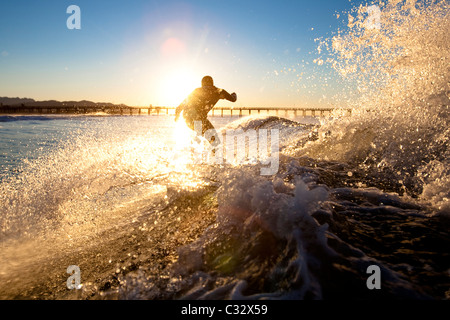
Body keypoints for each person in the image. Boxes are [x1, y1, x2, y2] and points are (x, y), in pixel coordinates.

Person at [175, 76, 237, 147]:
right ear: (212, 83)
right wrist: (233, 95)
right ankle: (204, 151)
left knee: (206, 139)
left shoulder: (197, 91)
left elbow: (181, 105)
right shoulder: (219, 91)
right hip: (197, 119)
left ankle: (197, 150)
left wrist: (177, 116)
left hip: (189, 119)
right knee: (213, 141)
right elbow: (233, 99)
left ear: (202, 84)